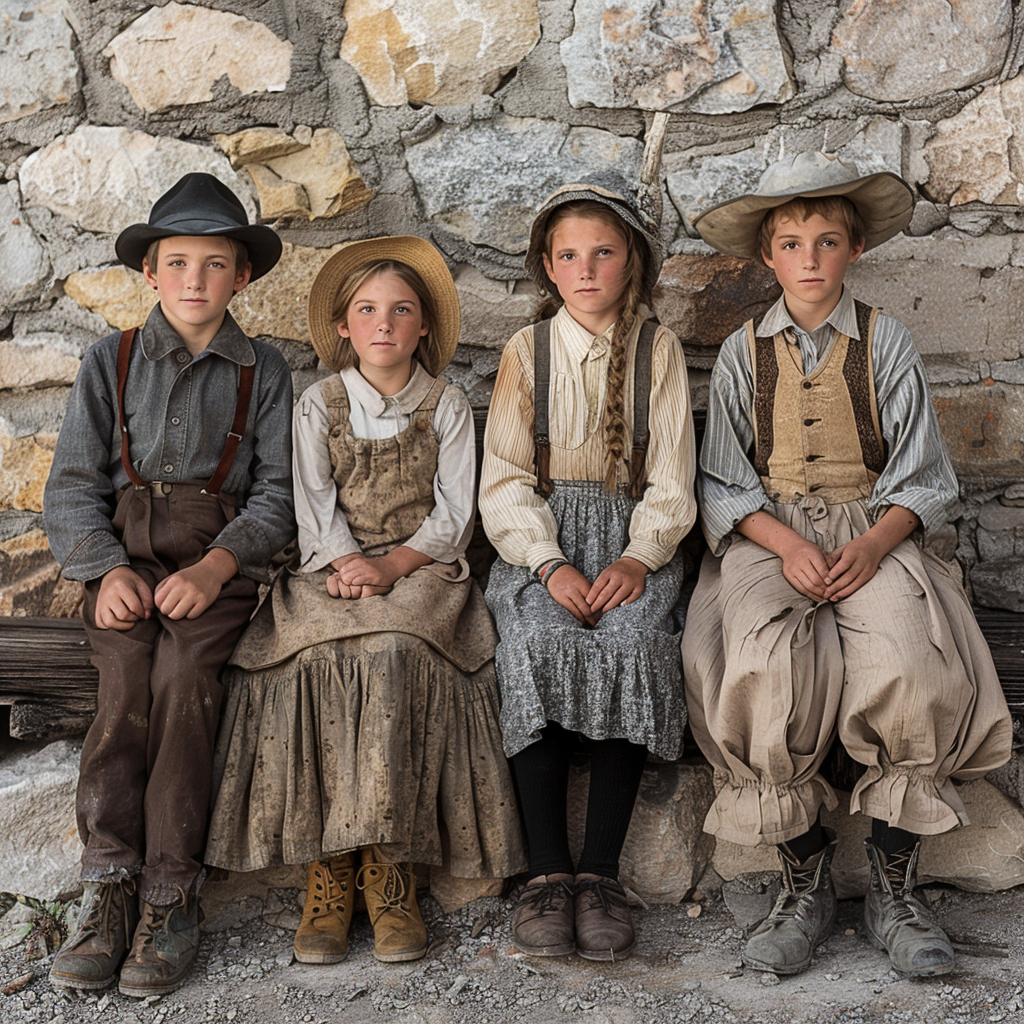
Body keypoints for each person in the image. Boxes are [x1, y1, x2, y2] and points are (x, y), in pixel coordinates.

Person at [683, 151, 1013, 978]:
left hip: (878, 529)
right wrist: (789, 544)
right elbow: (723, 480)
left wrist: (869, 544)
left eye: (827, 242)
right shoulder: (739, 356)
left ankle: (898, 885)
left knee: (911, 661)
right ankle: (806, 878)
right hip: (770, 534)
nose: (809, 259)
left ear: (854, 251)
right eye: (791, 244)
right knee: (757, 666)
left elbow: (924, 475)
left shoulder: (885, 342)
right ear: (768, 257)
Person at [205, 236, 525, 966]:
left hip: (419, 572)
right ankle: (330, 868)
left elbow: (454, 513)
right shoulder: (319, 403)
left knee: (393, 651)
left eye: (402, 311)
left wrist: (393, 567)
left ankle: (390, 868)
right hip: (329, 567)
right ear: (344, 327)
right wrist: (349, 562)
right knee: (311, 654)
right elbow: (311, 502)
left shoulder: (445, 407)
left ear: (423, 329)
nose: (384, 324)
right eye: (368, 311)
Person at [42, 173, 294, 996]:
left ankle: (170, 893)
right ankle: (109, 886)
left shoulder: (264, 370)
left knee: (185, 679)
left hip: (214, 567)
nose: (195, 281)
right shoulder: (107, 360)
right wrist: (104, 569)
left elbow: (277, 495)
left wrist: (220, 564)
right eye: (177, 263)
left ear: (242, 277)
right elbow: (73, 484)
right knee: (123, 679)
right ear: (150, 273)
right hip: (124, 563)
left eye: (214, 265)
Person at [479, 183, 697, 962]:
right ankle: (546, 876)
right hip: (542, 545)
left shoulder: (657, 350)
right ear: (547, 265)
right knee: (531, 641)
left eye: (603, 251)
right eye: (568, 254)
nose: (586, 268)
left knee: (635, 643)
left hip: (636, 544)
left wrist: (640, 557)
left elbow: (672, 480)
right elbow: (504, 477)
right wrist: (549, 563)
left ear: (629, 259)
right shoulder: (525, 351)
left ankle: (600, 875)